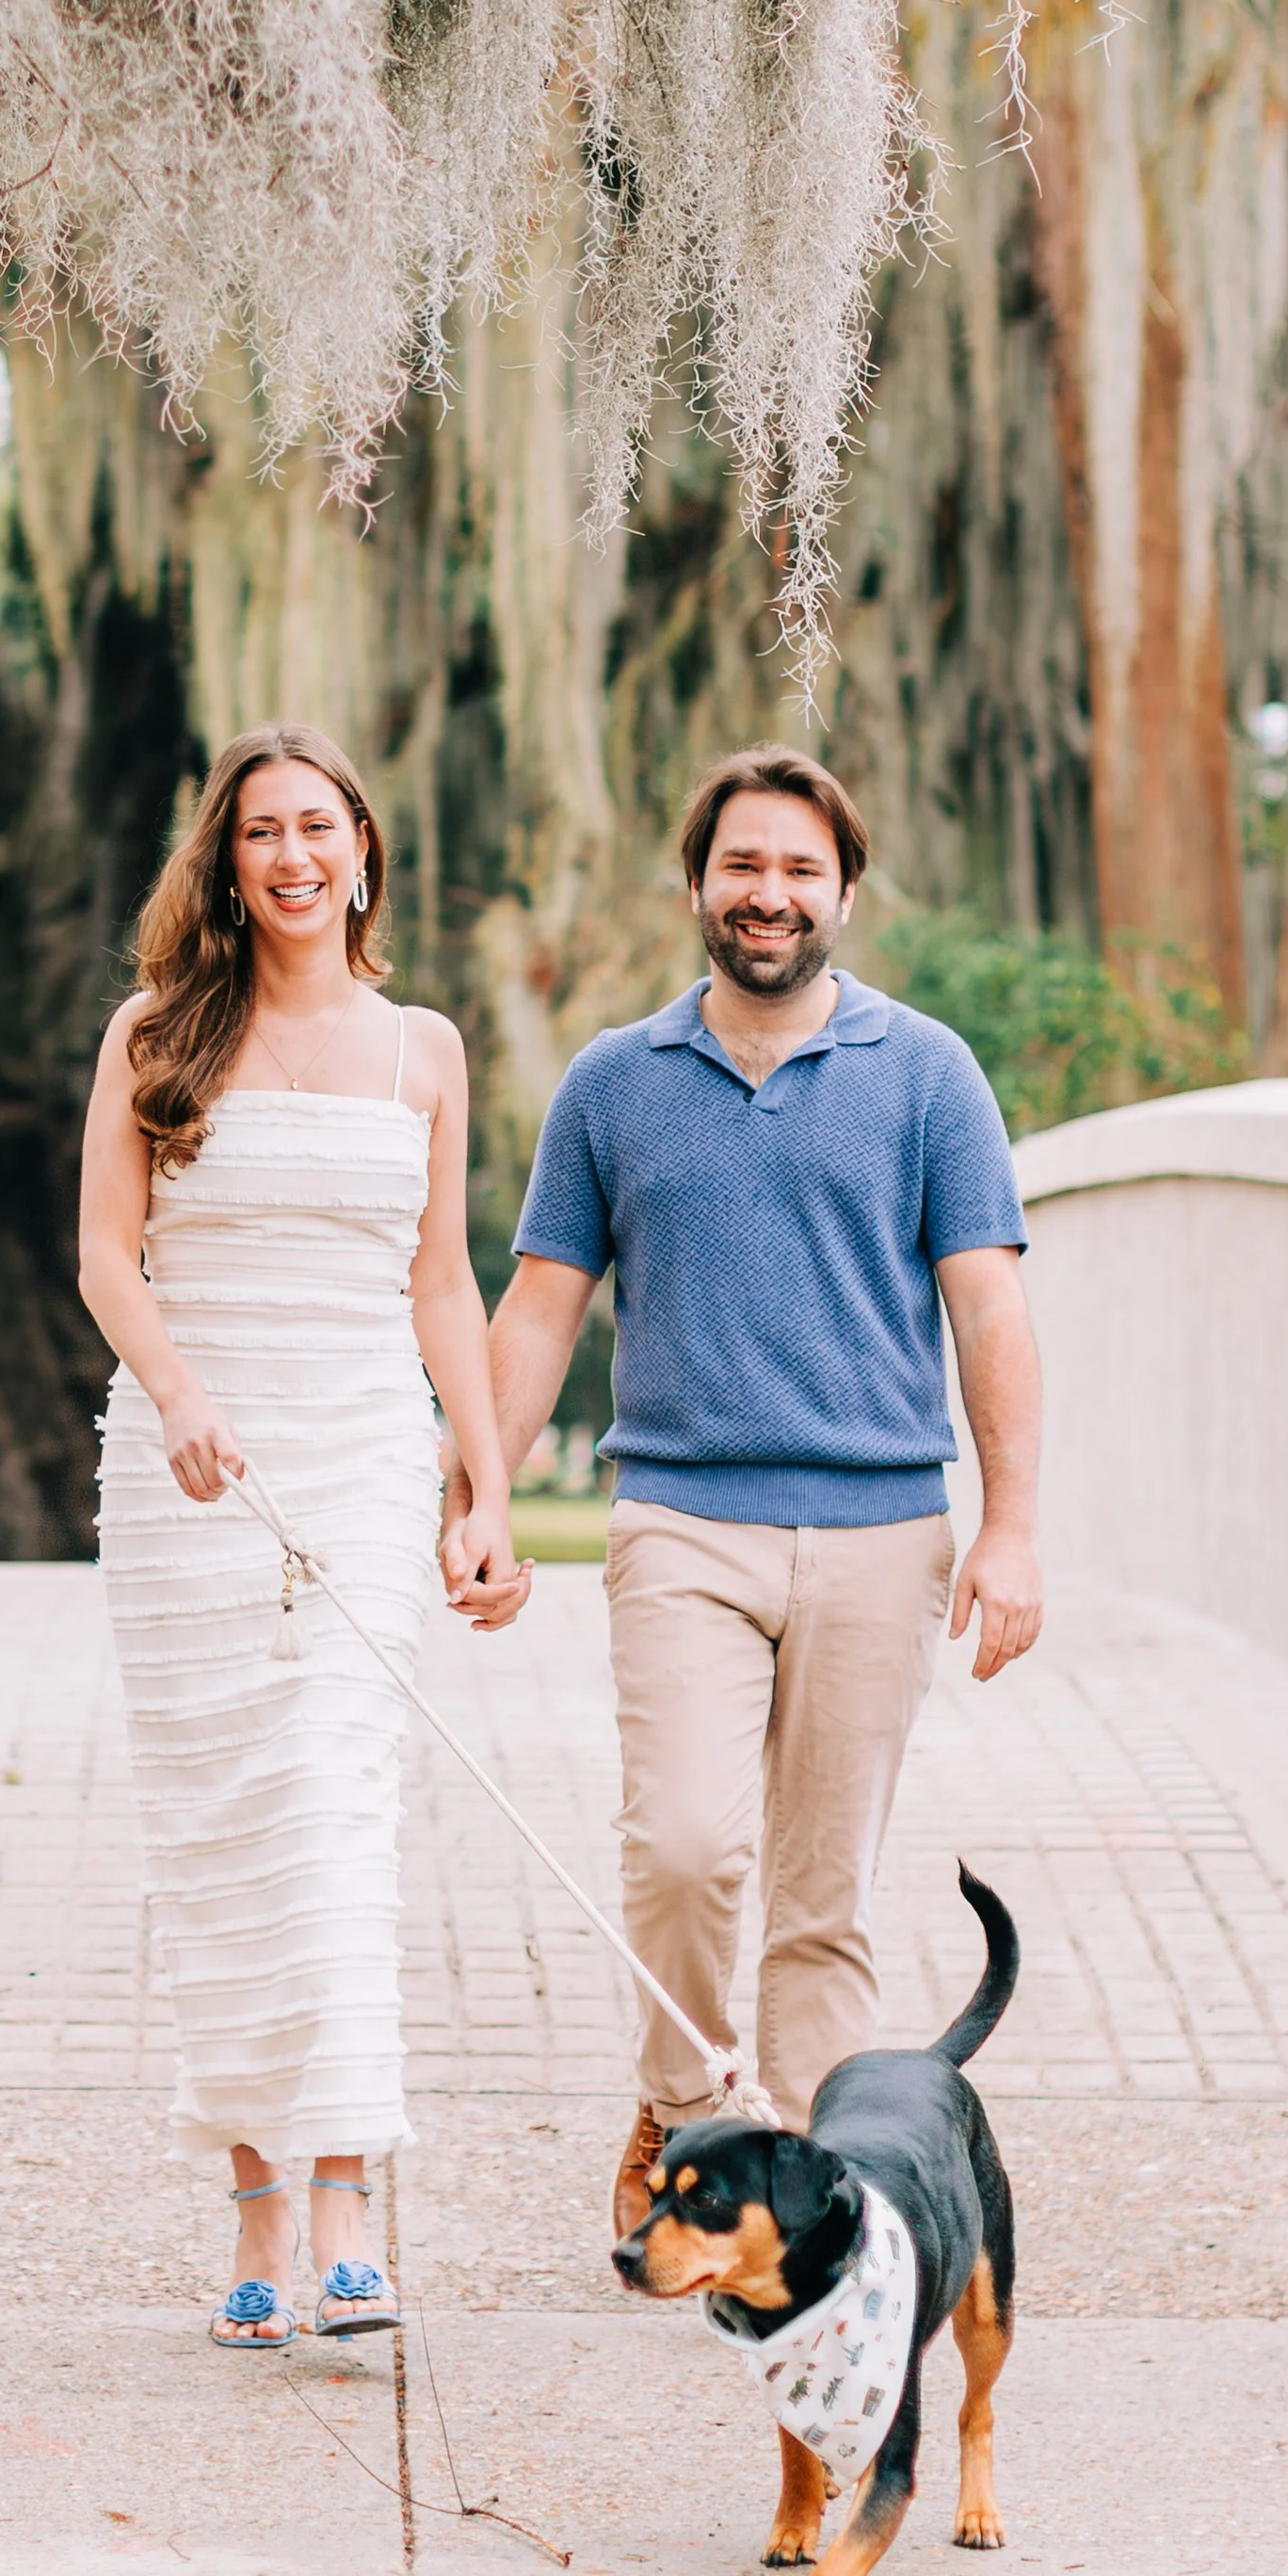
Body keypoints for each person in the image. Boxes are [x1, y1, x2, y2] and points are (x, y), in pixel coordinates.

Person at [448, 745, 1043, 2231]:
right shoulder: (612, 1080)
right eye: (742, 866)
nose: (768, 894)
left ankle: (824, 2195)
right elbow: (536, 1311)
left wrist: (1015, 1526)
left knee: (823, 1894)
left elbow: (989, 1309)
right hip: (681, 1524)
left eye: (798, 869)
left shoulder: (928, 1075)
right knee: (686, 1850)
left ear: (843, 890)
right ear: (698, 884)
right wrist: (480, 1496)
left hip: (882, 1531)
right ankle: (678, 2095)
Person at [79, 721, 529, 2349]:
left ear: (361, 850)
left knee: (338, 1806)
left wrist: (480, 1484)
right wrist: (183, 1396)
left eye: (317, 826)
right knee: (229, 1834)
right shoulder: (155, 1034)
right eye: (261, 831)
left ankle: (348, 2197)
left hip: (353, 1461)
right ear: (226, 858)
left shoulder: (425, 1050)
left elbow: (440, 1282)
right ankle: (256, 2208)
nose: (291, 856)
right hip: (189, 1478)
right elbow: (107, 1260)